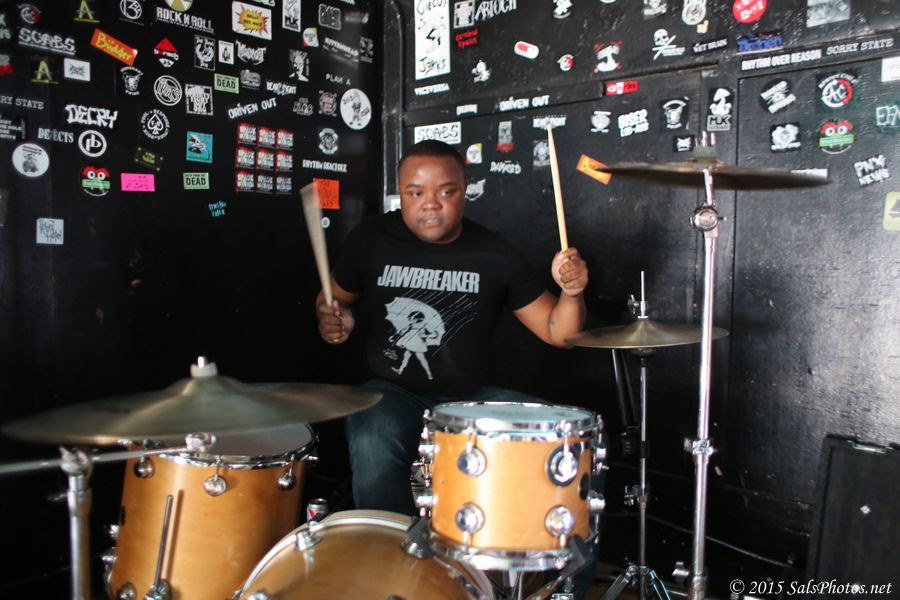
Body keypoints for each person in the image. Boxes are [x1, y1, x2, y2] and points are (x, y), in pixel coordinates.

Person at [316, 139, 599, 596]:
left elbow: (558, 332)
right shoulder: (370, 240)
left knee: (567, 439)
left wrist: (572, 293)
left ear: (464, 191)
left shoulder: (494, 252)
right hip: (392, 391)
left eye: (445, 191)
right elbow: (334, 301)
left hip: (470, 398)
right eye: (415, 193)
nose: (430, 204)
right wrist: (333, 320)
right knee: (373, 438)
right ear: (401, 194)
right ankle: (392, 576)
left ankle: (562, 588)